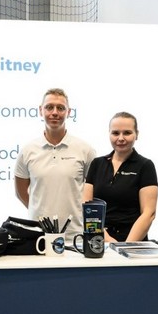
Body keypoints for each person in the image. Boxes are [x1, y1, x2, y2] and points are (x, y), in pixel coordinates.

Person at [14, 88, 96, 237]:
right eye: (49, 107)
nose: (55, 112)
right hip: (38, 235)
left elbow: (94, 192)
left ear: (68, 112)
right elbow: (20, 192)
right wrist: (37, 211)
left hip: (75, 236)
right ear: (41, 110)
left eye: (61, 108)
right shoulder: (27, 151)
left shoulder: (85, 150)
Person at [83, 112, 158, 242]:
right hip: (99, 241)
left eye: (127, 133)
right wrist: (108, 240)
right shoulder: (97, 164)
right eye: (116, 133)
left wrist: (125, 247)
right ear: (109, 134)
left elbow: (149, 213)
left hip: (133, 242)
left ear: (137, 134)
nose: (121, 138)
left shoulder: (145, 166)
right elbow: (87, 209)